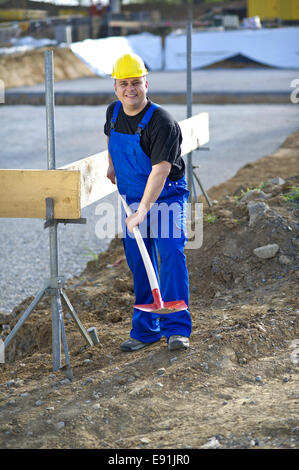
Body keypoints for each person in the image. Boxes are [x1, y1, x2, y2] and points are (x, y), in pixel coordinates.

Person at [104, 53, 192, 352]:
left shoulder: (161, 122)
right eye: (124, 83)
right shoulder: (113, 112)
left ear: (146, 83)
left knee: (170, 252)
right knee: (140, 263)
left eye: (136, 83)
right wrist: (112, 165)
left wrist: (143, 210)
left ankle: (177, 329)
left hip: (165, 198)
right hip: (131, 201)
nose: (131, 89)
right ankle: (146, 331)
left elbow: (161, 170)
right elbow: (110, 138)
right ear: (115, 86)